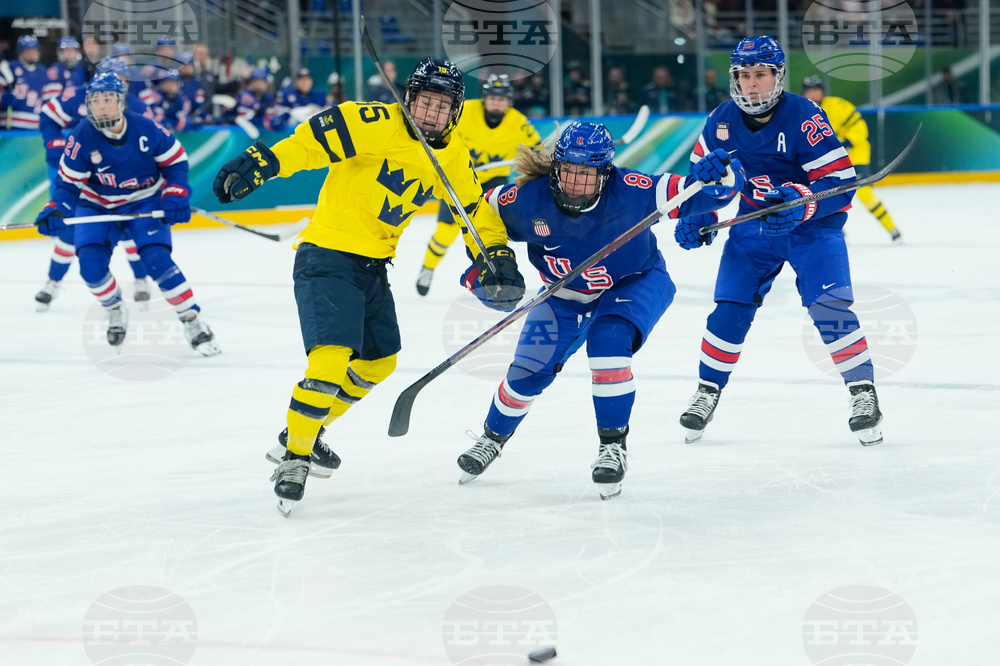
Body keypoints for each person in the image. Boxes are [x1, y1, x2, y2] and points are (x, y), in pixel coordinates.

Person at [211, 58, 524, 515]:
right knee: (331, 360)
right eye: (423, 102)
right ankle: (294, 459)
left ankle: (306, 430)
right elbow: (311, 144)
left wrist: (495, 253)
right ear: (409, 100)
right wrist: (264, 162)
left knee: (379, 361)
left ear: (456, 112)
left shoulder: (453, 156)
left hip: (374, 266)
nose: (431, 113)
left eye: (442, 106)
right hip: (327, 254)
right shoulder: (373, 120)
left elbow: (474, 211)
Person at [453, 122, 743, 500]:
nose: (575, 181)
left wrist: (721, 176)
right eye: (569, 170)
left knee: (608, 344)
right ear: (556, 167)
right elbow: (480, 213)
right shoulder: (528, 200)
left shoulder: (633, 191)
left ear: (605, 173)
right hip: (563, 295)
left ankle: (613, 447)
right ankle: (492, 438)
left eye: (587, 173)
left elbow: (710, 195)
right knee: (527, 369)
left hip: (635, 282)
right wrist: (490, 259)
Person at [674, 36, 883, 447]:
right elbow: (704, 185)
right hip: (753, 228)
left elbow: (842, 183)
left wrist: (803, 205)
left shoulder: (806, 115)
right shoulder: (720, 120)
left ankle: (863, 394)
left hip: (811, 229)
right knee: (728, 310)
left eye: (761, 75)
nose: (752, 85)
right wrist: (699, 216)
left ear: (777, 77)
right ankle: (707, 391)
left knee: (829, 309)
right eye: (744, 75)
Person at [33, 72, 220, 356]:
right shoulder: (82, 135)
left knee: (158, 260)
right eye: (95, 101)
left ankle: (191, 319)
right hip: (96, 204)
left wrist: (176, 191)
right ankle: (114, 308)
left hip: (143, 201)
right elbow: (68, 185)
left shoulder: (146, 127)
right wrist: (57, 208)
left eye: (107, 99)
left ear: (120, 102)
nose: (102, 106)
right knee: (91, 268)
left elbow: (176, 163)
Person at [34, 57, 159, 311]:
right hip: (82, 179)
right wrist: (55, 144)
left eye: (123, 79)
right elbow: (48, 115)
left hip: (118, 184)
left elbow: (154, 146)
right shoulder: (77, 96)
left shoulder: (136, 108)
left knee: (129, 231)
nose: (119, 84)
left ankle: (141, 279)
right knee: (70, 231)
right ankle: (52, 282)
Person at [415, 73, 541, 296]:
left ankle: (492, 274)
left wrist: (541, 155)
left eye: (501, 99)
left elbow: (537, 148)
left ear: (508, 101)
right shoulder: (464, 111)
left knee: (493, 232)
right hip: (459, 178)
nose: (496, 103)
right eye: (493, 98)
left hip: (493, 182)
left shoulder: (518, 122)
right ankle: (428, 267)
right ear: (485, 98)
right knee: (446, 231)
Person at [802, 76, 901, 243]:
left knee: (864, 193)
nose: (813, 94)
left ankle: (891, 228)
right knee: (824, 193)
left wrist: (847, 141)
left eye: (816, 90)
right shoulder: (803, 110)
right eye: (809, 91)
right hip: (828, 160)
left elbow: (858, 125)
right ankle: (835, 228)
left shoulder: (838, 105)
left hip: (855, 155)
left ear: (823, 91)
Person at [0, 35, 48, 130]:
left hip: (36, 127)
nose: (32, 54)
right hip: (11, 126)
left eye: (34, 51)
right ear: (21, 53)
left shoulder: (43, 71)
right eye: (28, 51)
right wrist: (3, 98)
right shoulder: (9, 67)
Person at [42, 36, 87, 101]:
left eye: (73, 50)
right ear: (60, 53)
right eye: (67, 50)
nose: (71, 53)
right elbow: (51, 101)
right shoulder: (55, 71)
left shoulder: (80, 69)